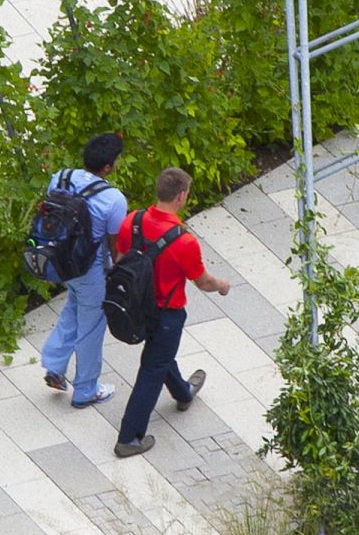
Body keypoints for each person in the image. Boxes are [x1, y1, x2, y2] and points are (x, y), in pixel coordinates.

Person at [114, 166, 231, 459]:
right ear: (181, 196)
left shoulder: (133, 221)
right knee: (152, 368)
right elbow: (202, 282)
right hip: (167, 312)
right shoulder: (184, 241)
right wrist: (221, 285)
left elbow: (120, 259)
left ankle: (182, 393)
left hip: (137, 307)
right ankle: (129, 437)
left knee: (159, 355)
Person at [38, 132, 129, 409]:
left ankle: (55, 366)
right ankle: (86, 390)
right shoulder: (114, 199)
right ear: (107, 168)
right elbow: (115, 248)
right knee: (91, 325)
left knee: (75, 307)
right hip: (90, 270)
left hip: (61, 262)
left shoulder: (61, 178)